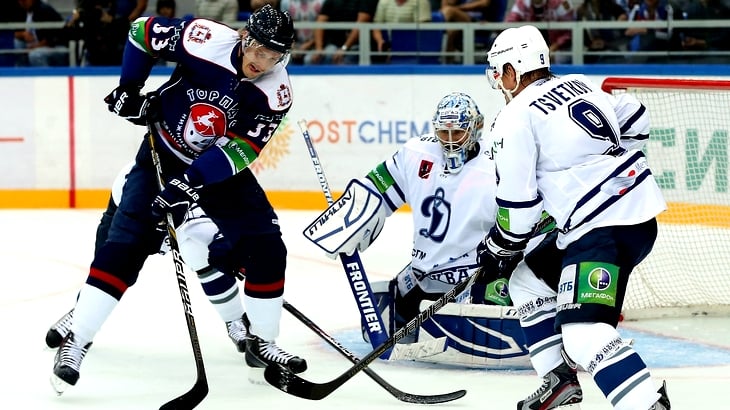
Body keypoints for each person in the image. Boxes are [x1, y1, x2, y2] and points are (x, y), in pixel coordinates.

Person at [50, 4, 306, 395]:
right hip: (162, 151)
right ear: (245, 38)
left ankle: (263, 342)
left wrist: (188, 183)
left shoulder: (276, 91)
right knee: (124, 248)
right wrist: (129, 89)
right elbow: (140, 31)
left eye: (275, 56)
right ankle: (77, 343)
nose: (264, 62)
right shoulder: (202, 38)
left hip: (218, 170)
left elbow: (241, 152)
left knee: (267, 247)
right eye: (259, 52)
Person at [483, 24, 670, 409]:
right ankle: (558, 380)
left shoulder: (513, 117)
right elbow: (636, 115)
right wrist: (607, 174)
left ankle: (647, 403)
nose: (499, 82)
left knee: (584, 334)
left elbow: (518, 213)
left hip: (601, 231)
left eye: (501, 71)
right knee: (527, 281)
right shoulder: (580, 83)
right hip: (631, 216)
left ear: (514, 70)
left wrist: (495, 251)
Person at [302, 92, 552, 366]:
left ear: (475, 129)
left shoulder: (500, 163)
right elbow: (376, 188)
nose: (449, 141)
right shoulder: (416, 154)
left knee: (494, 310)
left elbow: (533, 217)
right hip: (423, 272)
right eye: (442, 132)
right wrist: (348, 218)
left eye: (457, 132)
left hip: (476, 274)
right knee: (392, 318)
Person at [46, 163, 251, 358]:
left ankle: (235, 319)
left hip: (184, 223)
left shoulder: (206, 180)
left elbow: (221, 229)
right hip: (133, 217)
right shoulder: (136, 178)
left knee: (200, 254)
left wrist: (232, 252)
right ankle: (83, 314)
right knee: (112, 265)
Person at [505, 0, 576, 63]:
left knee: (559, 58)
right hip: (530, 47)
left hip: (560, 48)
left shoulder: (560, 2)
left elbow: (570, 31)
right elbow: (509, 24)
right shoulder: (521, 3)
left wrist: (553, 47)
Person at [11, 0, 69, 66]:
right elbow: (13, 32)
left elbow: (52, 39)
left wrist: (35, 47)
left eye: (24, 1)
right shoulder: (21, 11)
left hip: (57, 47)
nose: (22, 3)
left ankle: (44, 75)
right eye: (20, 1)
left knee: (36, 55)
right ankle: (21, 72)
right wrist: (23, 34)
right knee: (18, 43)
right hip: (36, 44)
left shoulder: (44, 10)